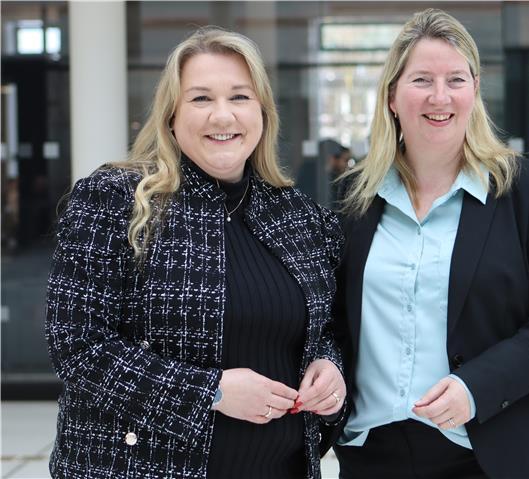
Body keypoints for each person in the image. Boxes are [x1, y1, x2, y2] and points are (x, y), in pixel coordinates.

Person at [45, 27, 345, 479]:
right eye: (201, 98)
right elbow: (78, 348)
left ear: (262, 113)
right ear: (171, 115)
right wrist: (210, 392)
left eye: (240, 97)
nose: (222, 116)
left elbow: (326, 328)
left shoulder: (300, 217)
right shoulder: (113, 200)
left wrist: (330, 367)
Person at [332, 9, 529, 479]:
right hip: (372, 453)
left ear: (475, 89)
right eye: (421, 80)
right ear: (392, 95)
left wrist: (476, 387)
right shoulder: (353, 198)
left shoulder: (526, 190)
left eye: (456, 79)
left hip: (488, 450)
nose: (439, 96)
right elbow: (331, 318)